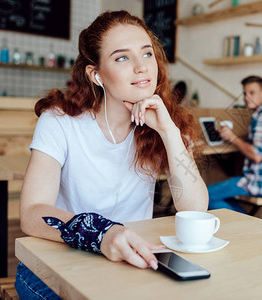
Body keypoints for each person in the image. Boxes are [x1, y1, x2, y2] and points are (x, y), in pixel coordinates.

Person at [15, 10, 208, 299]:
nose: (141, 67)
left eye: (146, 54)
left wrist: (168, 131)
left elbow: (194, 209)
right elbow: (32, 214)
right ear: (96, 74)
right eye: (122, 58)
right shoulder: (59, 122)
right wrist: (101, 234)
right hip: (60, 262)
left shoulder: (166, 123)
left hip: (130, 263)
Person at [207, 75, 262, 213]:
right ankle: (244, 221)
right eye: (245, 93)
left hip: (261, 183)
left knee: (206, 195)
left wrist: (232, 138)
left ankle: (248, 223)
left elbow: (256, 155)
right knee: (217, 195)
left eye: (252, 92)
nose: (246, 97)